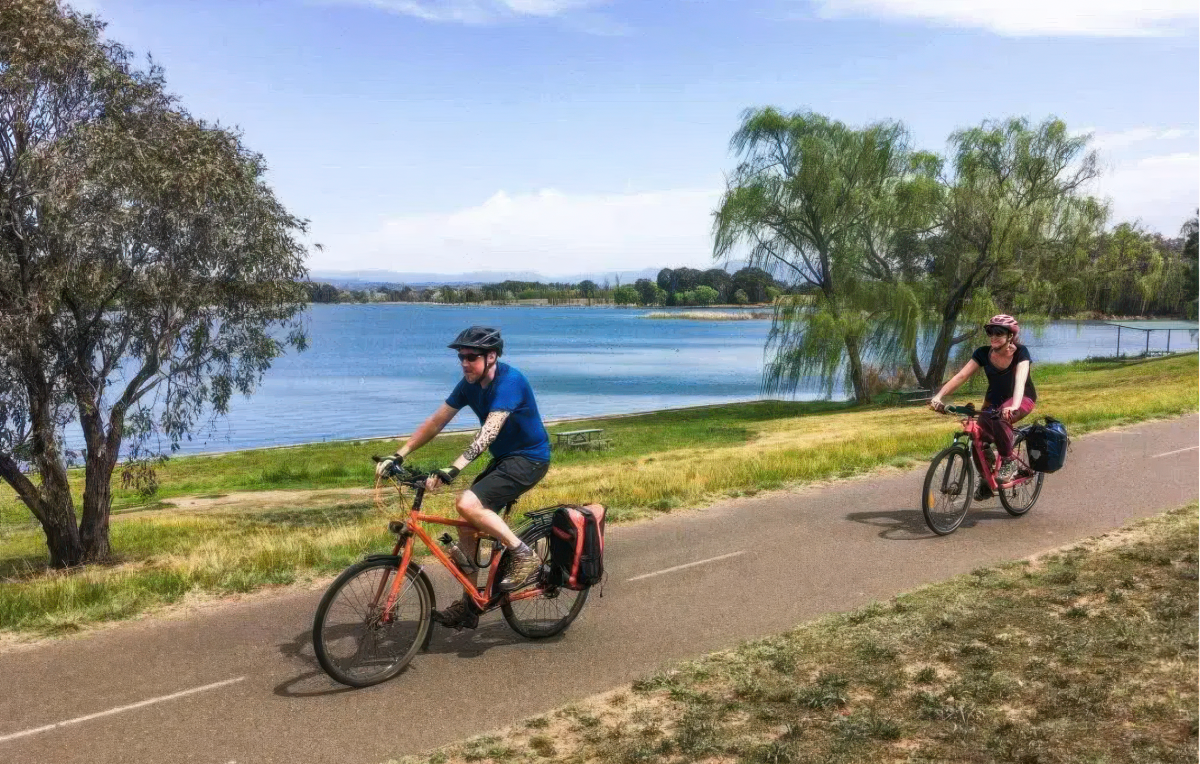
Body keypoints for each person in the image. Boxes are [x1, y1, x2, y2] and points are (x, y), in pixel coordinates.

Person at [375, 326, 551, 630]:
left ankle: (524, 555)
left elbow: (489, 432)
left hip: (530, 458)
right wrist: (399, 454)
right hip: (504, 460)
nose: (464, 363)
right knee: (468, 529)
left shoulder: (511, 381)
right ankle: (470, 606)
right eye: (461, 357)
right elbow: (436, 421)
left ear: (492, 356)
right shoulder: (469, 384)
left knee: (466, 503)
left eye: (471, 357)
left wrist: (452, 469)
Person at [928, 314, 1038, 495]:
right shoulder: (982, 353)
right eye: (990, 332)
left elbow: (1020, 380)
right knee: (977, 438)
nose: (993, 336)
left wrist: (1013, 406)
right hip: (994, 400)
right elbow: (961, 376)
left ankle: (1008, 462)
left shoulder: (1021, 353)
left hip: (1023, 398)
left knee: (1000, 419)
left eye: (999, 332)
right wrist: (938, 397)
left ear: (1010, 336)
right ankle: (987, 480)